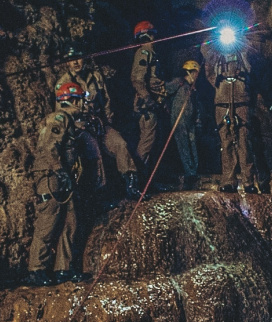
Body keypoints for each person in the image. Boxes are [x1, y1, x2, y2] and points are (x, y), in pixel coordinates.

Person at [27, 81, 99, 286]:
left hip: (63, 175)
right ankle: (36, 269)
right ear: (72, 100)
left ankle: (63, 268)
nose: (82, 104)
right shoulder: (59, 118)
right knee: (48, 222)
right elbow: (49, 147)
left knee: (70, 221)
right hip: (50, 175)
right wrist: (60, 171)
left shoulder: (70, 121)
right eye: (79, 100)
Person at [55, 49, 141, 200]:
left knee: (120, 144)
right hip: (80, 127)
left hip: (99, 123)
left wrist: (107, 120)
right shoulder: (63, 83)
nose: (75, 62)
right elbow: (61, 113)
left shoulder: (95, 77)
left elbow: (106, 99)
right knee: (95, 155)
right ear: (67, 62)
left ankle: (132, 186)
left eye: (78, 58)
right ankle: (100, 195)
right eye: (71, 59)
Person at [201, 41, 256, 193]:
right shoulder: (215, 56)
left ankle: (248, 181)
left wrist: (239, 37)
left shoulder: (242, 51)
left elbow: (250, 63)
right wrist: (214, 37)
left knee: (243, 142)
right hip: (222, 102)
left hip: (241, 102)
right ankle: (228, 181)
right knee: (226, 142)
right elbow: (207, 63)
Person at [131, 21, 166, 172]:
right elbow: (138, 79)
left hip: (154, 102)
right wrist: (148, 100)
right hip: (147, 106)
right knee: (146, 142)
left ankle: (147, 178)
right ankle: (138, 178)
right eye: (152, 34)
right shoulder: (144, 52)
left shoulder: (151, 53)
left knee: (151, 142)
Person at [163, 60, 202, 189]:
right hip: (179, 119)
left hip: (189, 120)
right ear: (189, 72)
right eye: (195, 73)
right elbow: (166, 89)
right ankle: (189, 173)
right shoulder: (179, 82)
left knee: (192, 145)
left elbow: (196, 106)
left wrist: (197, 119)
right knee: (183, 145)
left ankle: (194, 172)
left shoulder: (192, 88)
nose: (197, 76)